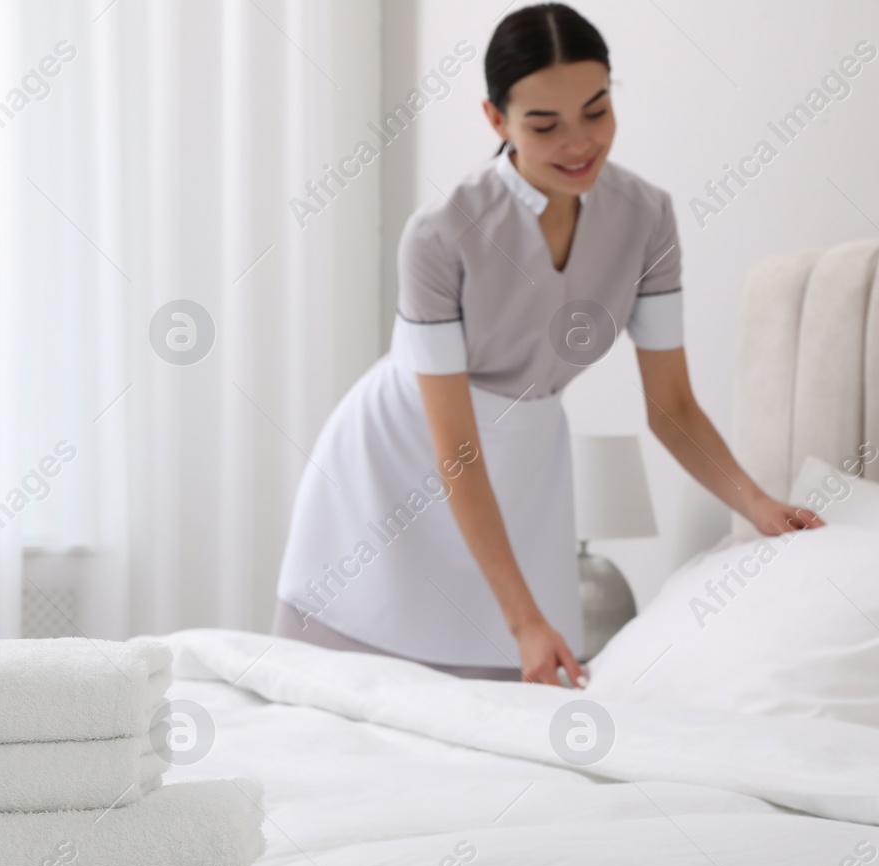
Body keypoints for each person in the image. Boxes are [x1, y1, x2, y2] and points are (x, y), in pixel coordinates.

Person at [273, 3, 821, 685]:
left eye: (596, 111)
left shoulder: (646, 219)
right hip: (400, 458)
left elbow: (672, 405)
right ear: (495, 120)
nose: (579, 144)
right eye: (544, 124)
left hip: (526, 469)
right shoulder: (441, 235)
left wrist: (758, 503)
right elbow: (457, 448)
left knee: (508, 710)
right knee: (338, 697)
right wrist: (523, 618)